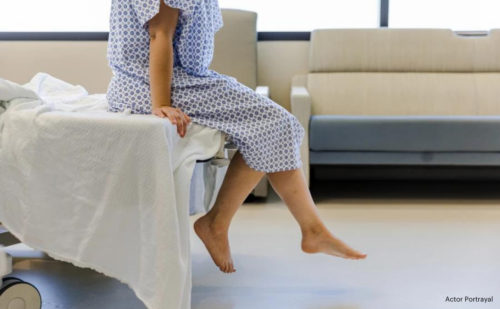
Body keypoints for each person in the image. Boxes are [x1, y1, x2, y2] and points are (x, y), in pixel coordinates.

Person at [106, 0, 367, 274]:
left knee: (275, 127)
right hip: (149, 85)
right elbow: (159, 34)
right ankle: (229, 224)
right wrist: (160, 104)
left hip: (173, 80)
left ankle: (301, 230)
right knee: (276, 124)